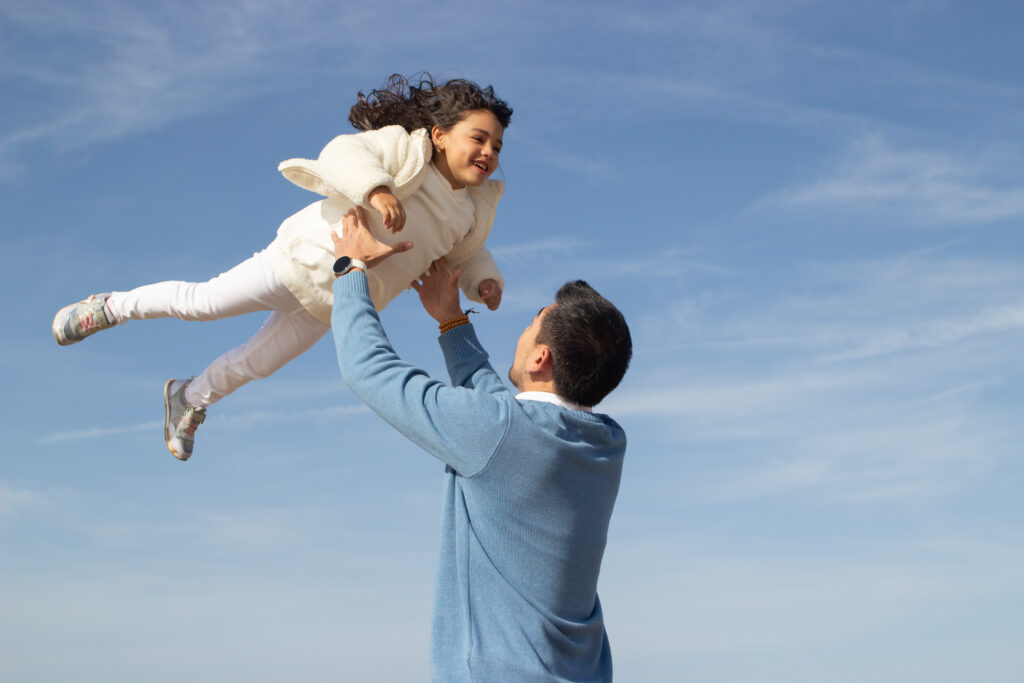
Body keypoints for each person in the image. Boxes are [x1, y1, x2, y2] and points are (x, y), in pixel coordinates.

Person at [50, 73, 513, 460]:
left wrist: (484, 281)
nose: (488, 152)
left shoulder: (470, 212)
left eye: (496, 145)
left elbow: (468, 254)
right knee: (202, 302)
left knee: (257, 363)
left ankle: (187, 398)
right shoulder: (404, 149)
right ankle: (111, 306)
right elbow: (343, 153)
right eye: (478, 138)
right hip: (303, 259)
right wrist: (377, 190)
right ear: (439, 135)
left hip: (340, 301)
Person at [330, 207, 632, 682]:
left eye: (531, 327)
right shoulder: (607, 444)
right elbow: (508, 420)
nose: (522, 333)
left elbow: (366, 369)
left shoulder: (503, 432)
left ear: (539, 357)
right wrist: (451, 321)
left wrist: (350, 270)